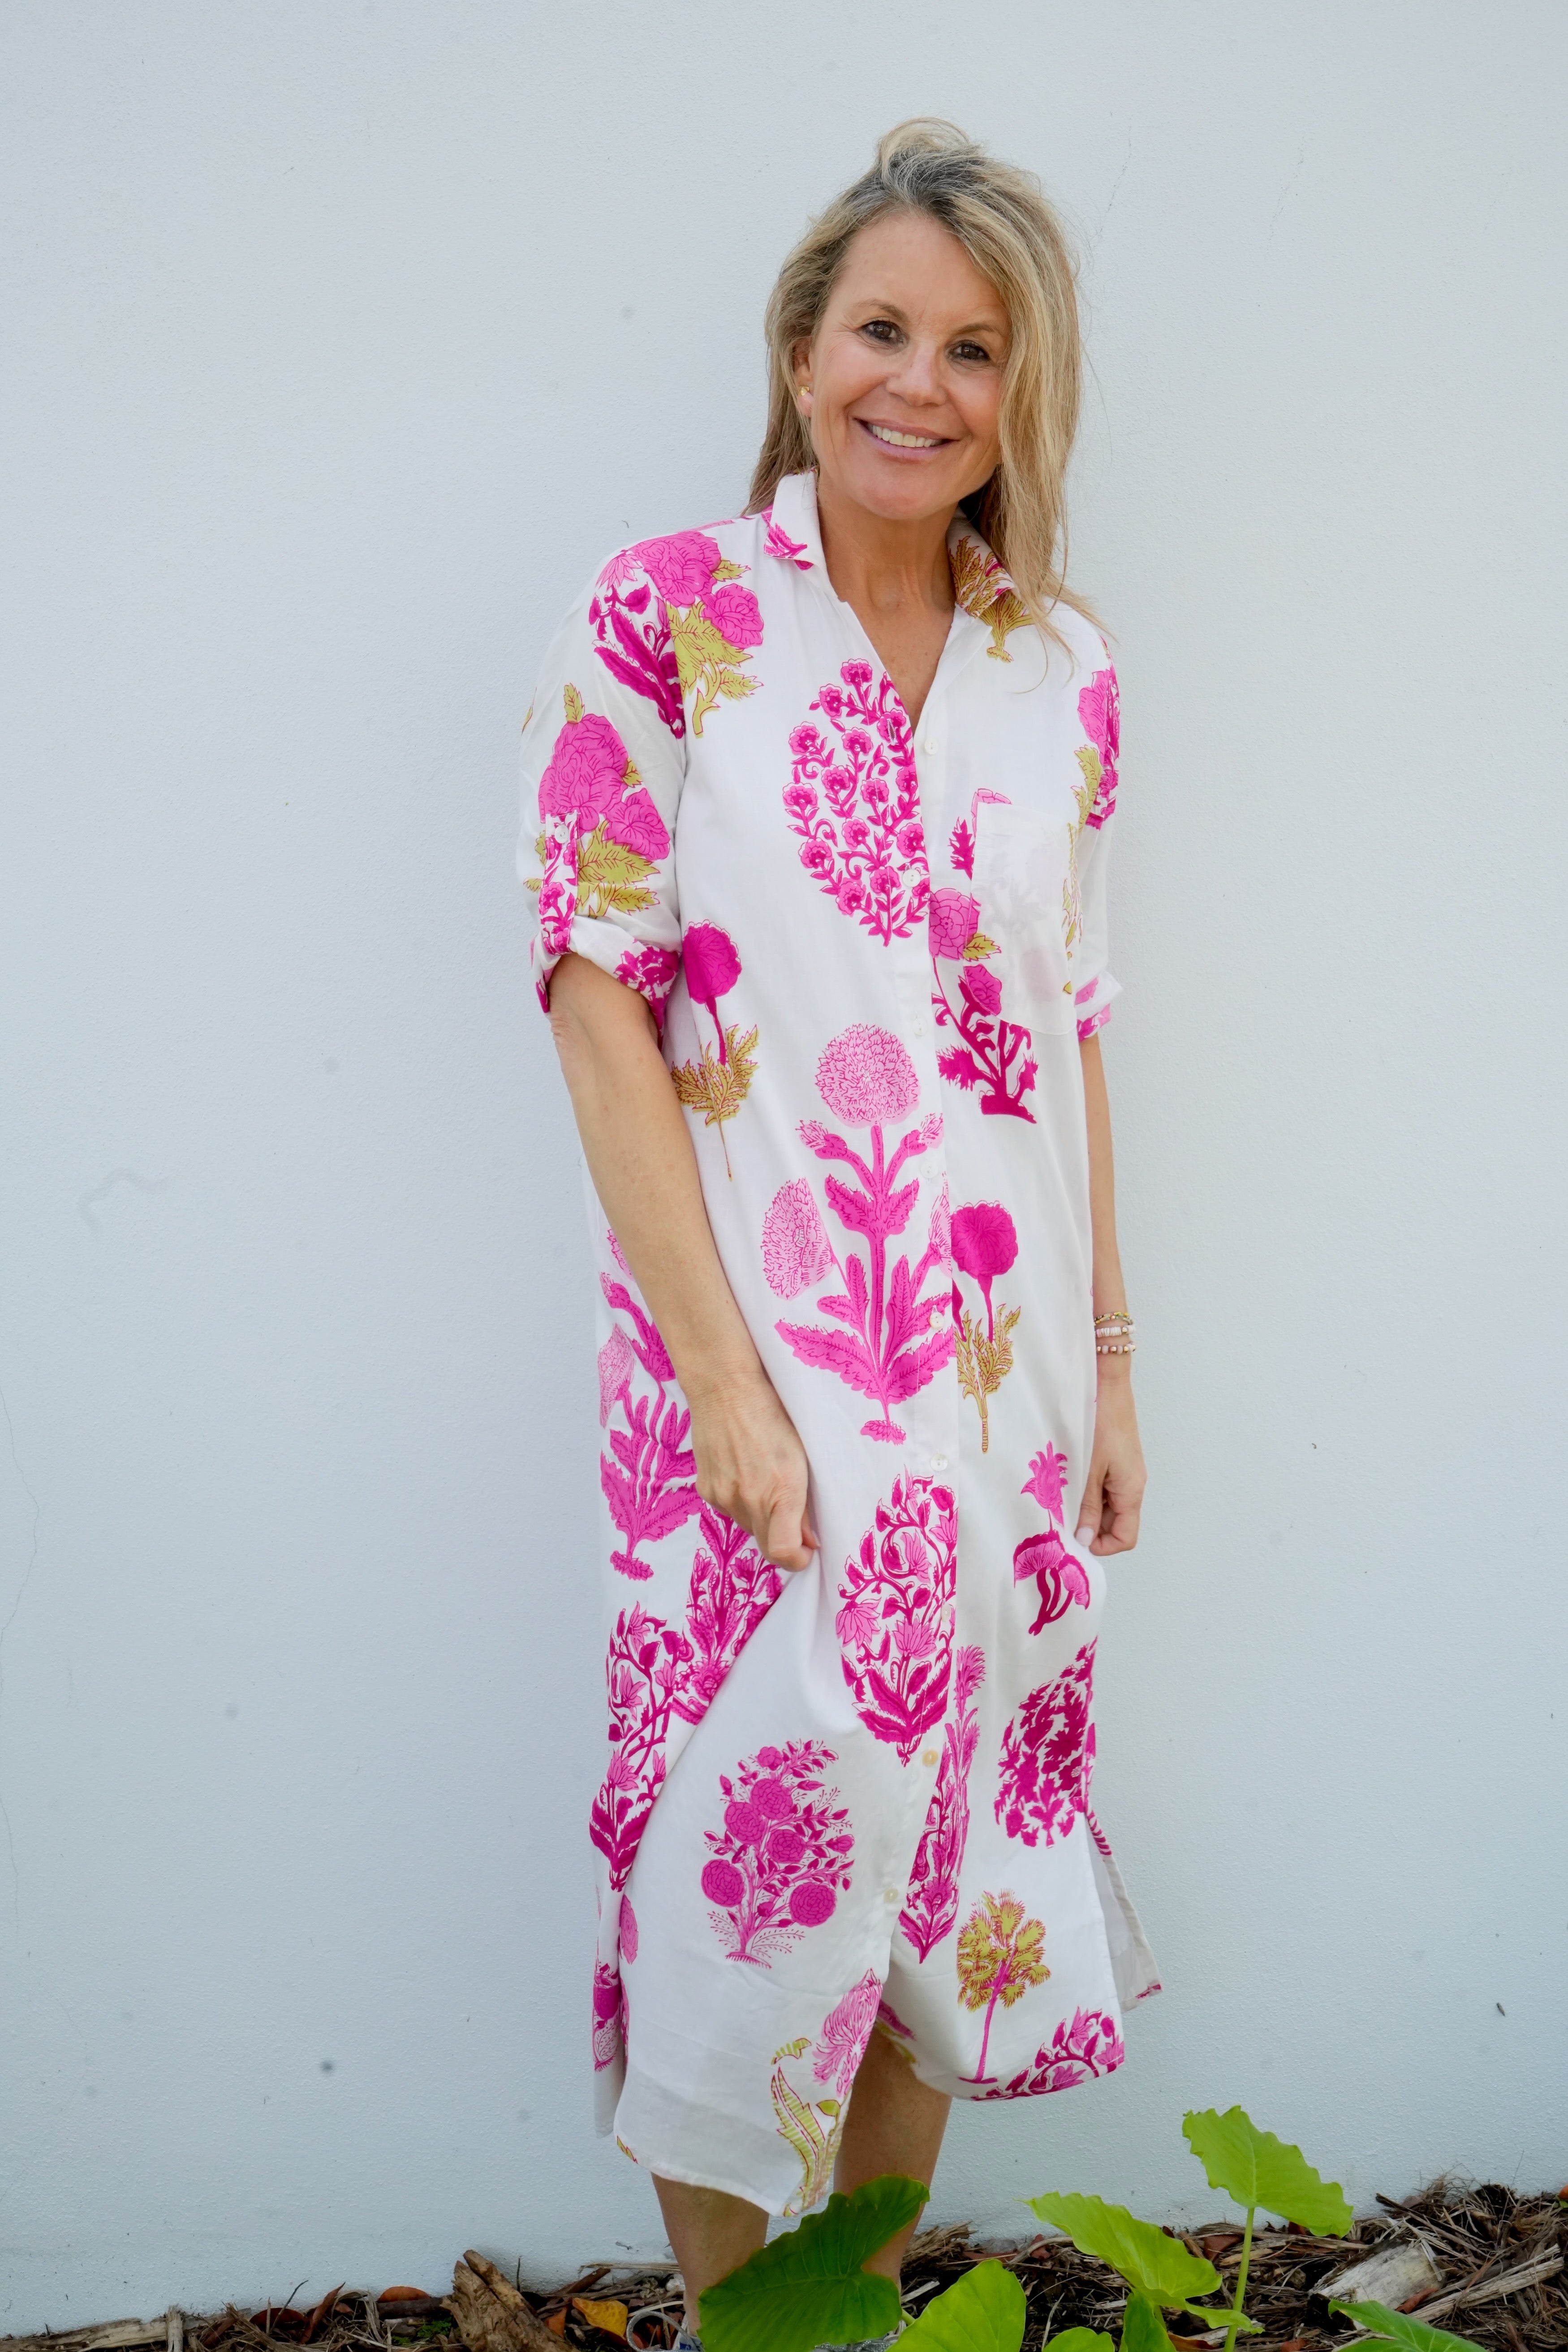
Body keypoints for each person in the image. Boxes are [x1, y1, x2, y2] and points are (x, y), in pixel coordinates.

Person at [522, 118, 1159, 2352]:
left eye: (973, 348)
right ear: (800, 354)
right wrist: (720, 1380)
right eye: (881, 328)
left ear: (1019, 388)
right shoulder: (667, 618)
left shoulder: (1054, 667)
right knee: (744, 1880)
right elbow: (595, 996)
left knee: (936, 1874)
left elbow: (1067, 1027)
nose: (922, 382)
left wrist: (1110, 1353)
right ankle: (748, 2344)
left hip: (998, 1390)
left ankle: (844, 2326)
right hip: (756, 1383)